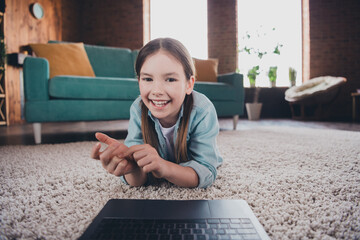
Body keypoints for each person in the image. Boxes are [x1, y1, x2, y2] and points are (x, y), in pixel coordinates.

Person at [91, 38, 223, 188]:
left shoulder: (202, 110)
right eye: (147, 79)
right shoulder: (138, 108)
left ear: (189, 84)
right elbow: (138, 180)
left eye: (170, 79)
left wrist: (164, 167)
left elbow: (206, 172)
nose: (157, 91)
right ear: (139, 81)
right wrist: (131, 168)